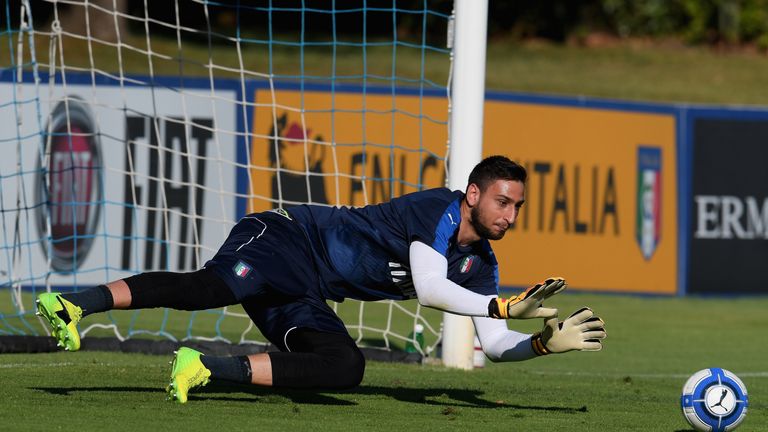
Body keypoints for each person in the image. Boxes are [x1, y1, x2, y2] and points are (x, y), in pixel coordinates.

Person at [36, 155, 606, 403]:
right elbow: (432, 291)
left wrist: (538, 344)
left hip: (305, 287)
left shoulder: (482, 264)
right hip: (286, 237)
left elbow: (498, 349)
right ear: (474, 194)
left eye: (519, 207)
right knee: (211, 288)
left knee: (345, 367)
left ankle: (205, 367)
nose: (510, 215)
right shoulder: (439, 210)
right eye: (503, 201)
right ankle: (74, 304)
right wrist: (503, 308)